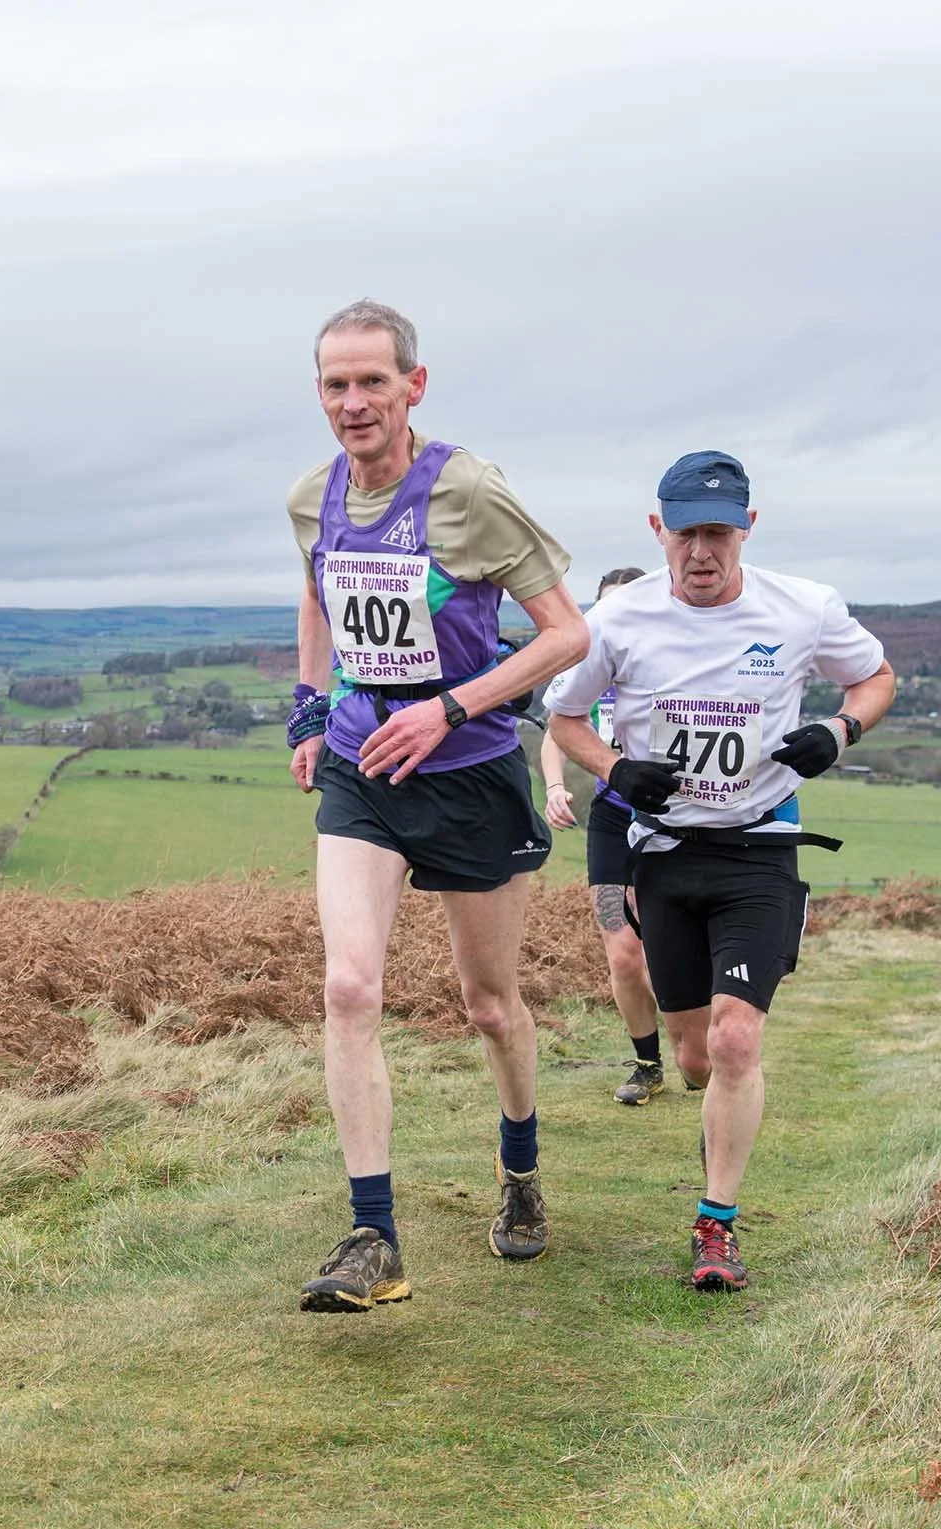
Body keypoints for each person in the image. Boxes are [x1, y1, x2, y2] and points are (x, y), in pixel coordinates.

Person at [286, 300, 590, 1314]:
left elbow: (563, 635)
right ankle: (372, 1233)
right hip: (361, 768)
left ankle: (520, 1171)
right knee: (347, 987)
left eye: (373, 381)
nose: (353, 401)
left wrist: (449, 705)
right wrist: (308, 705)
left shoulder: (466, 492)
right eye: (336, 383)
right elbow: (318, 590)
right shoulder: (310, 497)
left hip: (469, 772)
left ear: (414, 385)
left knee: (490, 1004)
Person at [545, 451, 893, 1293]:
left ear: (747, 530)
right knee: (695, 1053)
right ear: (657, 529)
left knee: (739, 1038)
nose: (702, 552)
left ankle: (717, 1223)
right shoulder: (619, 616)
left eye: (719, 533)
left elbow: (878, 677)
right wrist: (617, 768)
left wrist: (839, 731)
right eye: (686, 532)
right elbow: (560, 716)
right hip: (666, 852)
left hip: (761, 846)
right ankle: (706, 1103)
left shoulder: (804, 607)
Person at [541, 567, 666, 1105]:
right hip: (613, 817)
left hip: (675, 819)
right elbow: (556, 733)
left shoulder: (672, 660)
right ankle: (647, 1063)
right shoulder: (588, 668)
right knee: (622, 953)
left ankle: (699, 1039)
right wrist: (553, 788)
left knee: (672, 947)